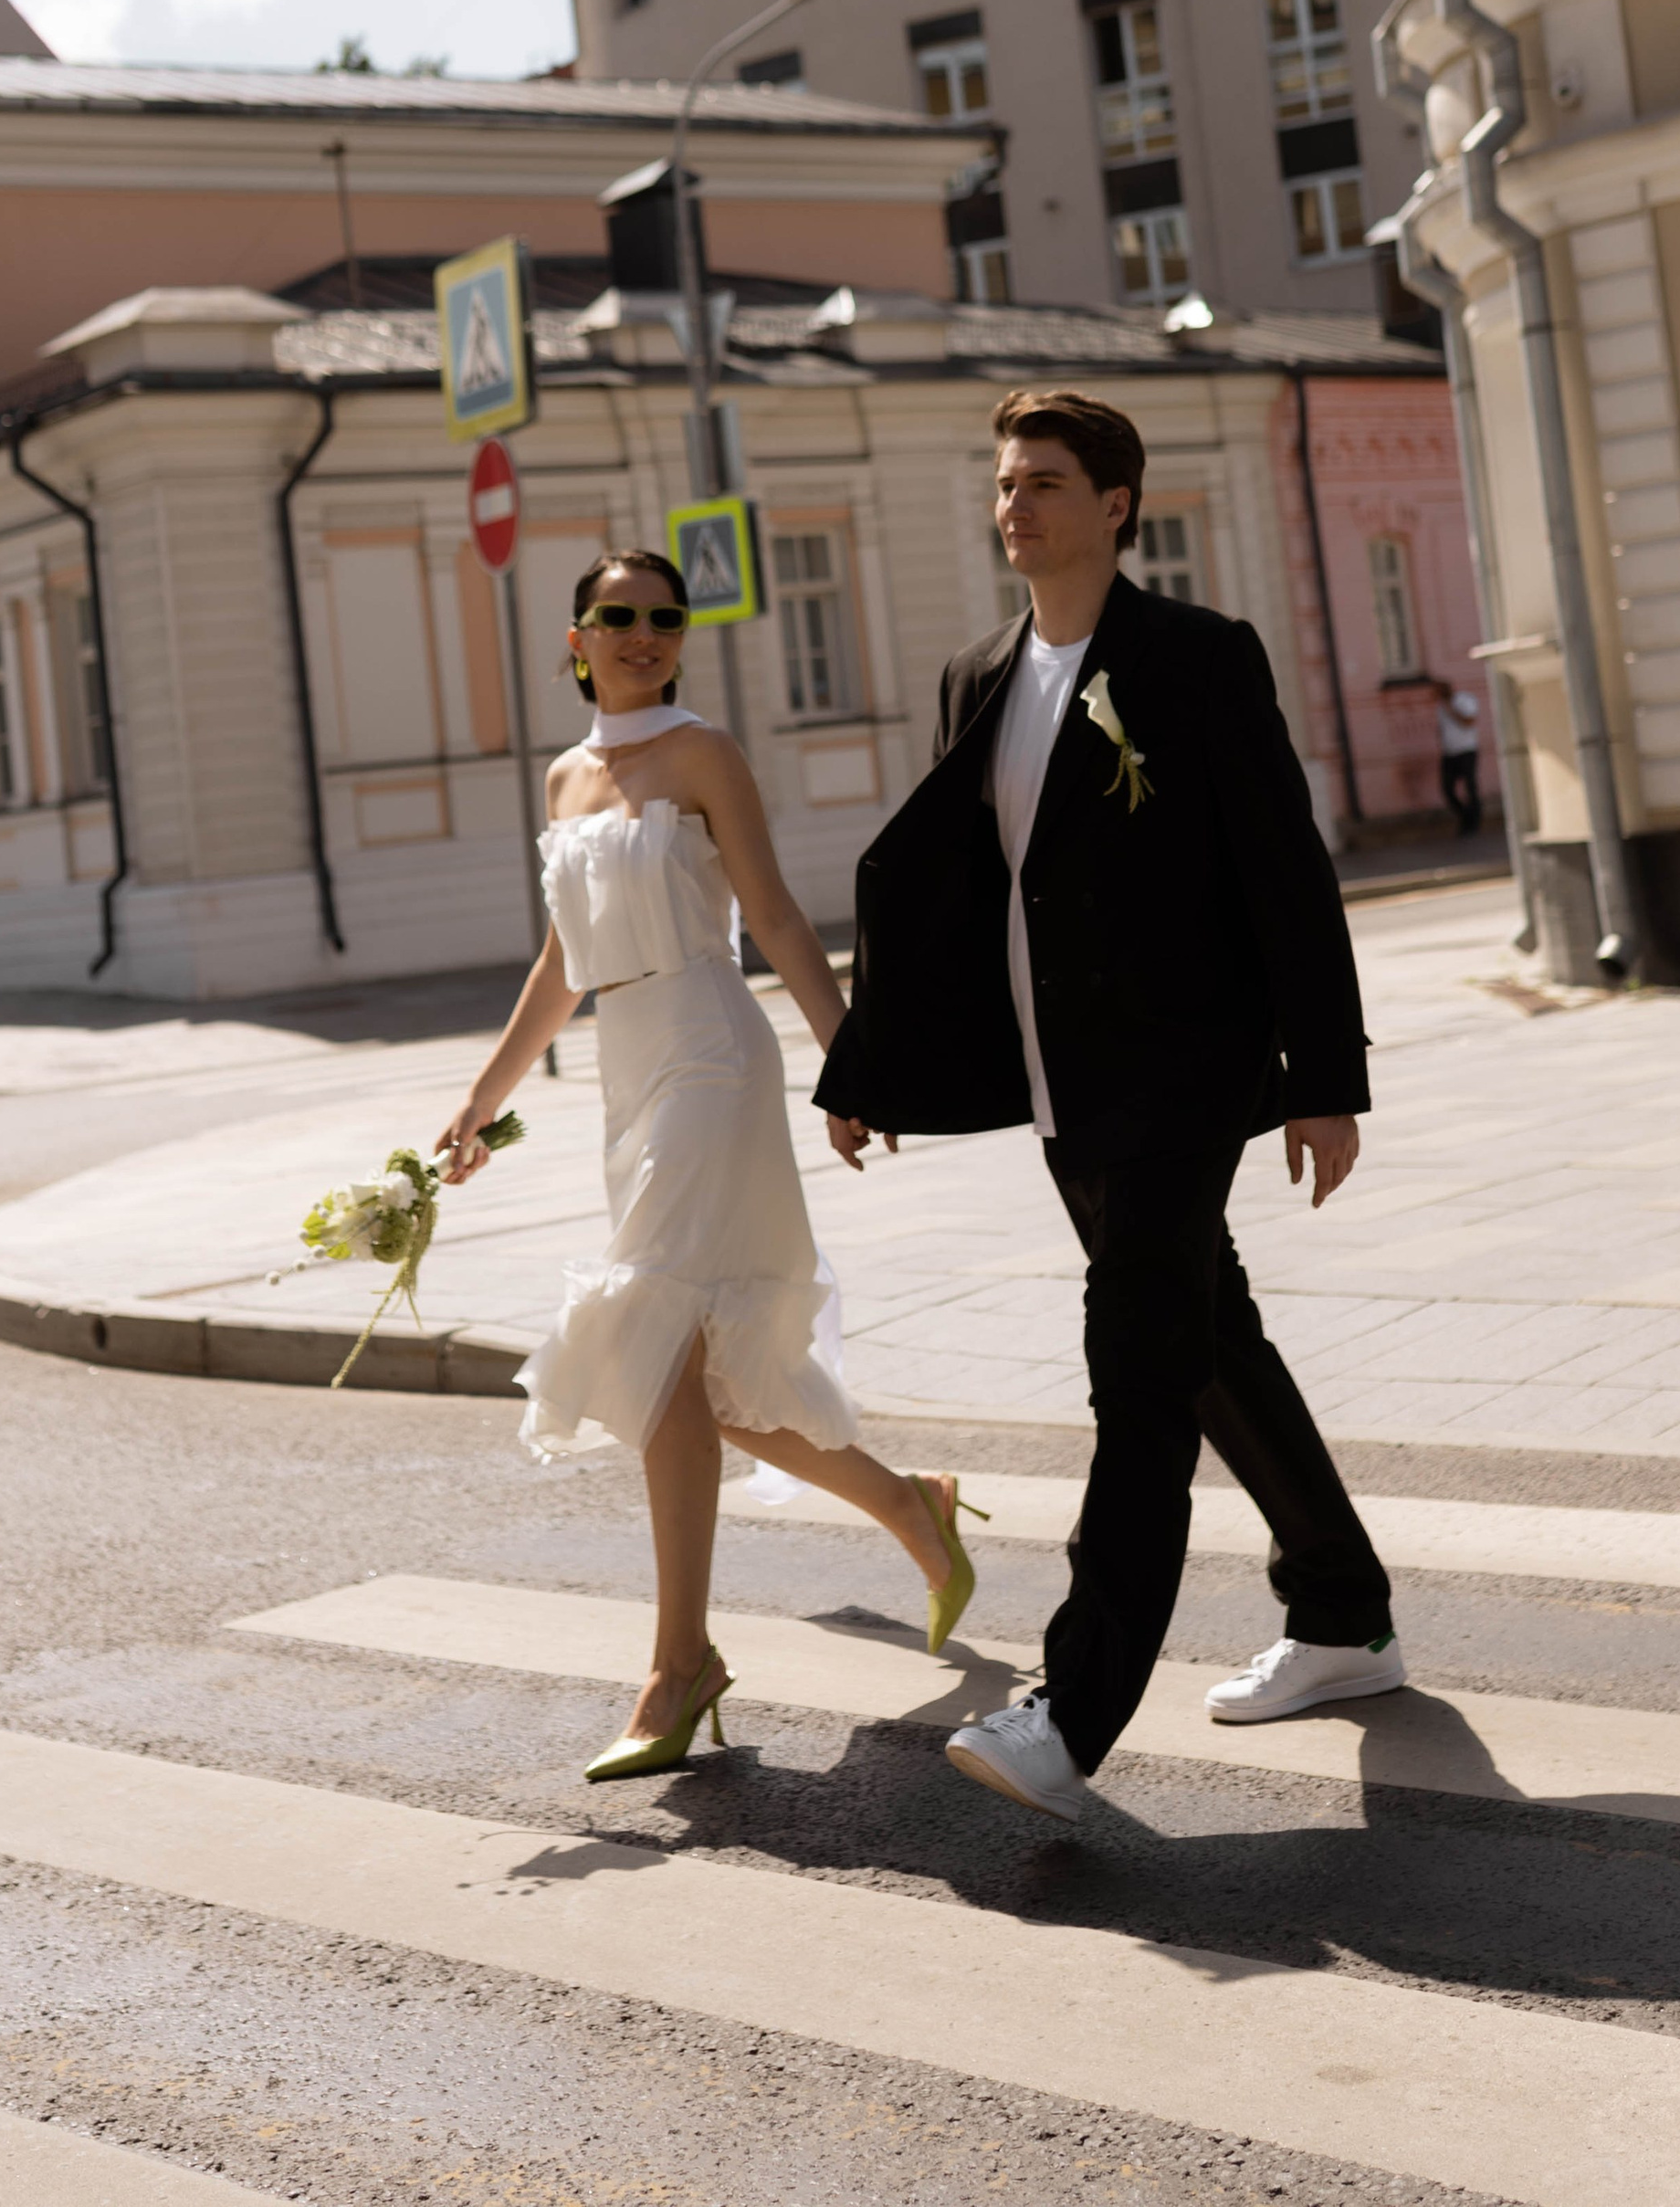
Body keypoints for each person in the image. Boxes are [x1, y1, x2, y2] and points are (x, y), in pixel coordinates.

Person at [817, 390, 1400, 1826]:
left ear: (1117, 504)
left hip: (1180, 1078)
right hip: (1057, 1084)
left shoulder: (1197, 659)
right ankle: (1342, 1612)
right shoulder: (980, 675)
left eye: (1047, 481)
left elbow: (1285, 871)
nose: (1016, 503)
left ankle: (1072, 1714)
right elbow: (958, 900)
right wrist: (870, 1068)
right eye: (1007, 481)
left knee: (1136, 1376)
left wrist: (1323, 1080)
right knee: (1208, 1343)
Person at [435, 549, 978, 1783]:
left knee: (658, 1335)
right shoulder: (569, 777)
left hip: (713, 1056)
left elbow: (778, 915)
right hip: (628, 1073)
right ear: (576, 637)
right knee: (712, 1392)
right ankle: (912, 1506)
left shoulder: (703, 754)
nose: (641, 634)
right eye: (616, 617)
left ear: (682, 635)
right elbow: (563, 963)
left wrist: (853, 1064)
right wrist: (480, 1101)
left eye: (662, 618)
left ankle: (679, 1665)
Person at [1435, 683, 1484, 838]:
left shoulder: (1463, 700)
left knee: (1470, 787)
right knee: (1447, 788)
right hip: (1449, 753)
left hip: (1467, 750)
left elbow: (1468, 721)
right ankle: (1465, 816)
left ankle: (1474, 822)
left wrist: (1451, 709)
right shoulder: (1440, 706)